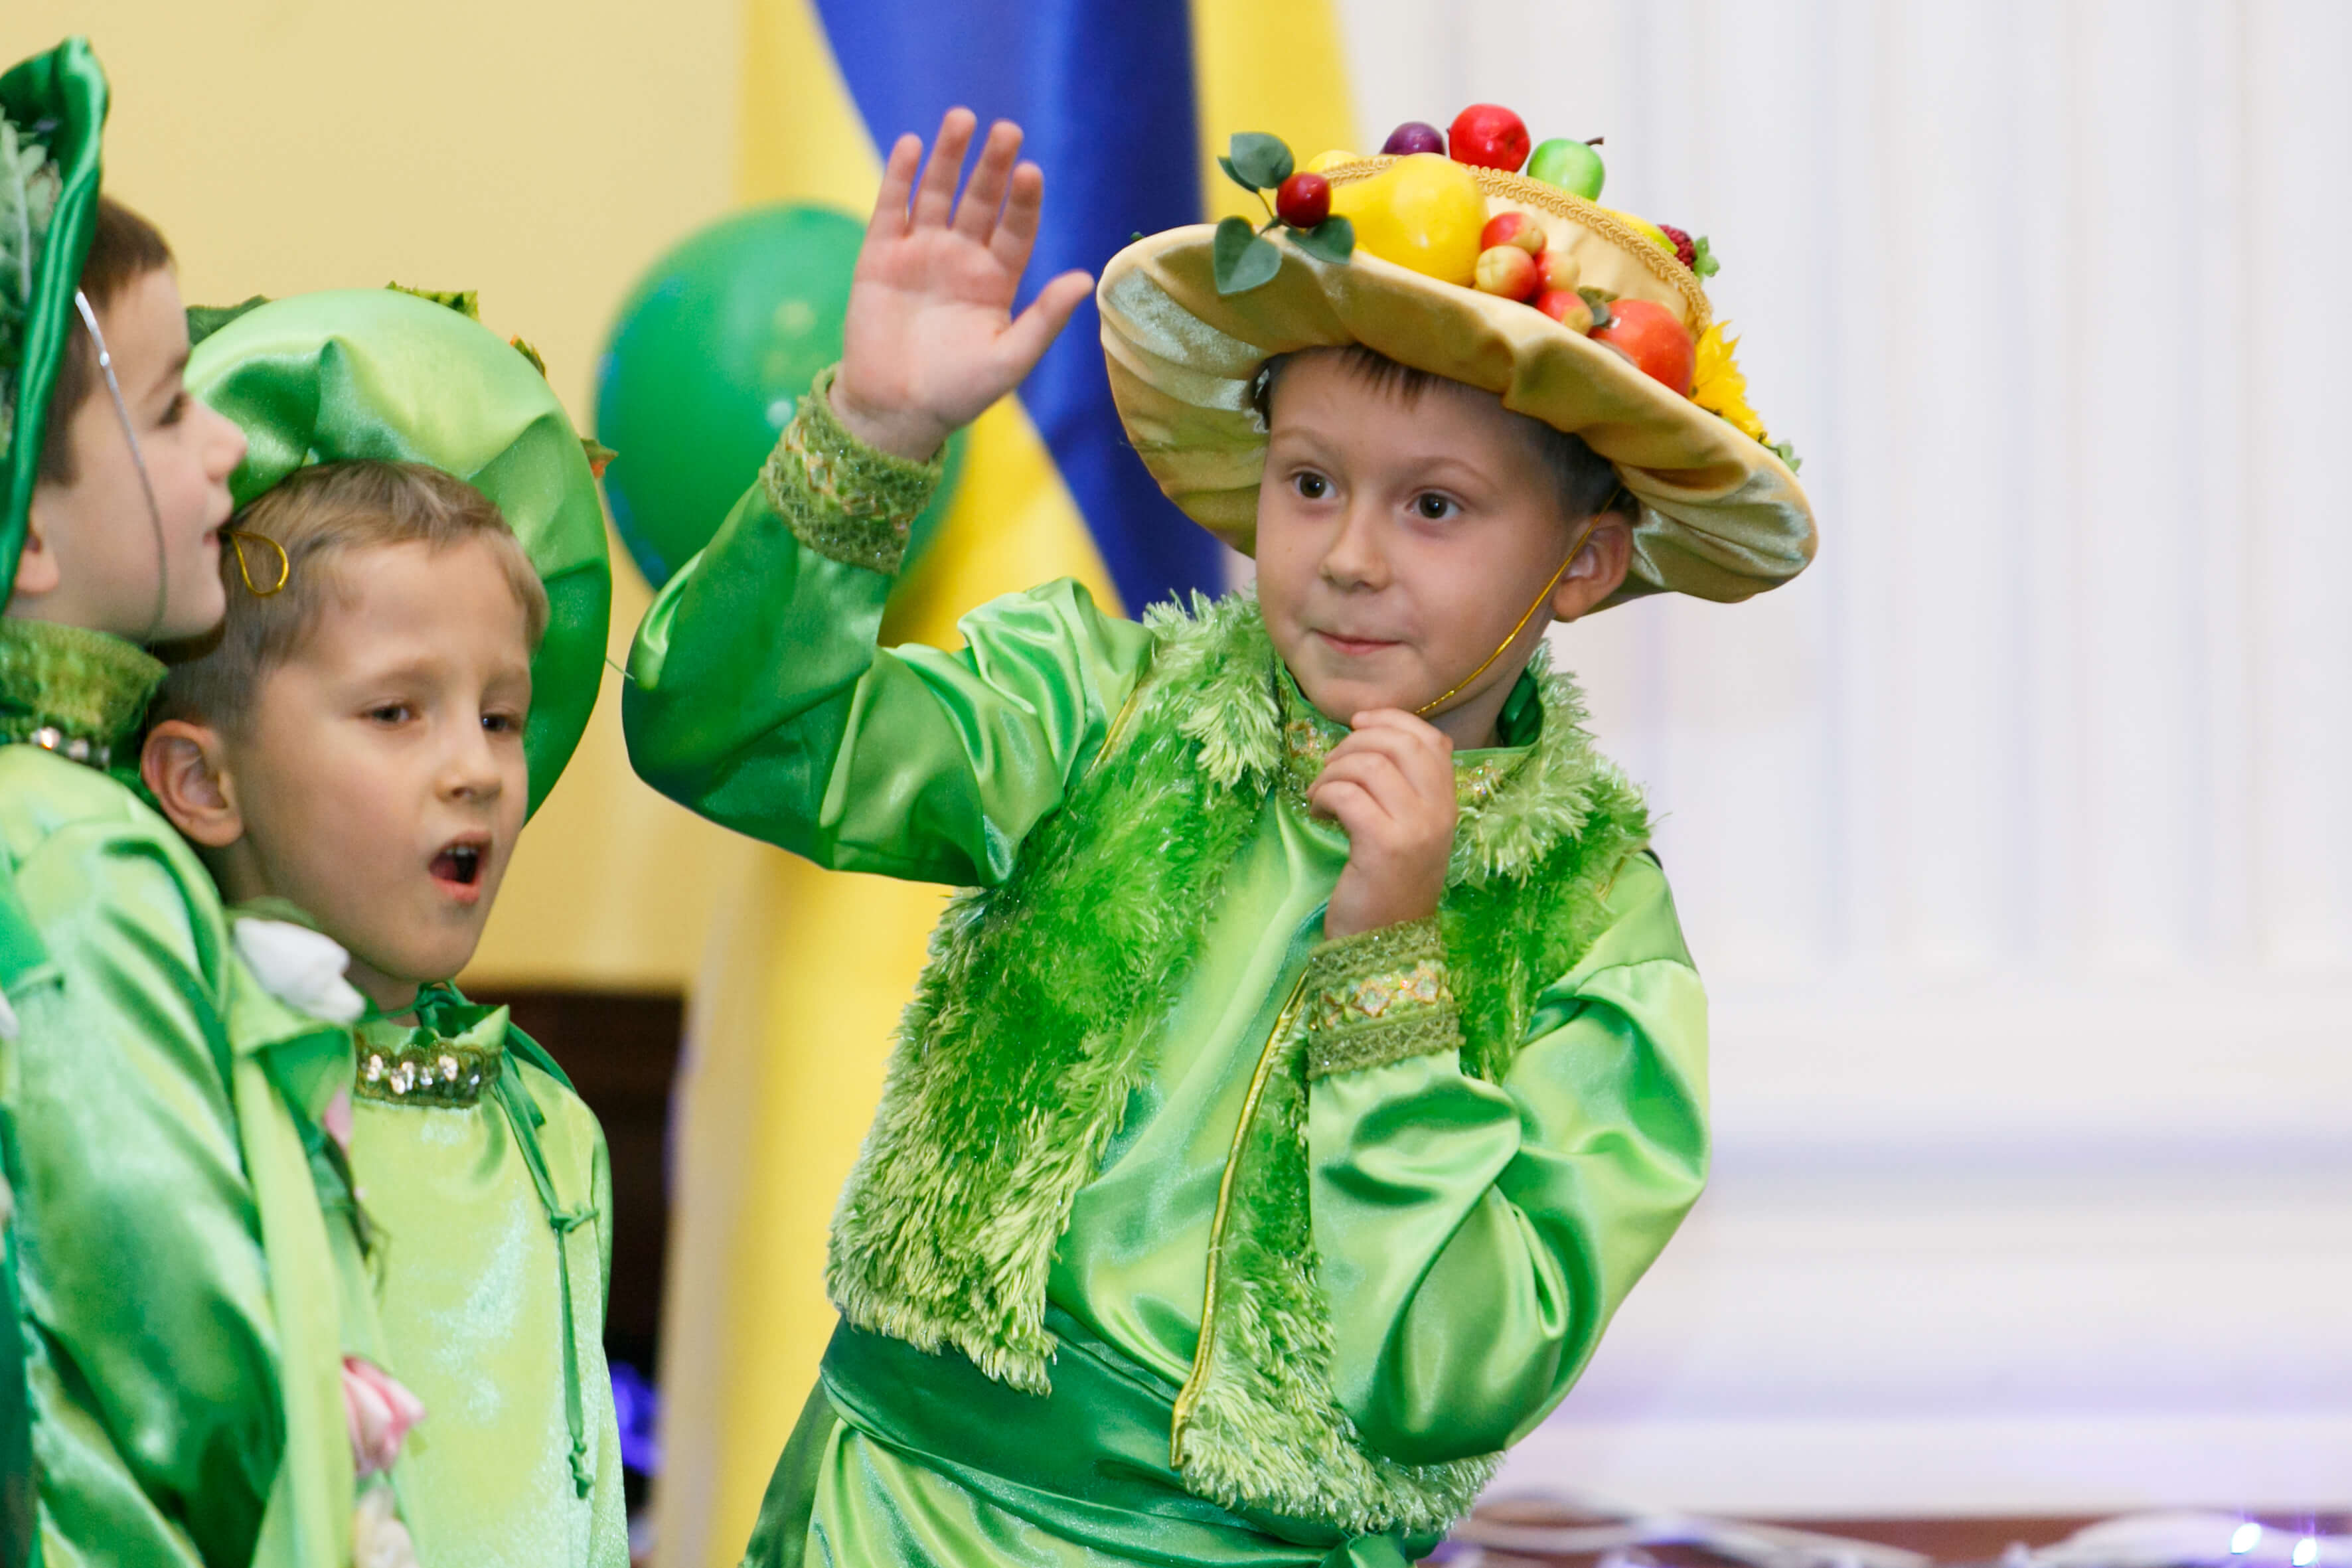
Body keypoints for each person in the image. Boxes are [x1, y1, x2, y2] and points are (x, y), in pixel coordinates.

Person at [624, 108, 1815, 1566]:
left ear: (1582, 561)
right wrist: (880, 431)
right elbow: (730, 731)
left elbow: (1450, 1373)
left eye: (1434, 504)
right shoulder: (1089, 709)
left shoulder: (1594, 931)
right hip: (896, 1517)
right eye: (1311, 482)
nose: (1351, 555)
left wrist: (1389, 965)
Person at [141, 285, 625, 1568]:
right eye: (397, 712)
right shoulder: (183, 1108)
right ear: (202, 781)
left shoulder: (549, 1129)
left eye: (501, 715)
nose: (477, 768)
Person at [0, 39, 405, 1568]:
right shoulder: (70, 853)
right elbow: (181, 1331)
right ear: (30, 535)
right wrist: (313, 1449)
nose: (226, 441)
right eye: (171, 411)